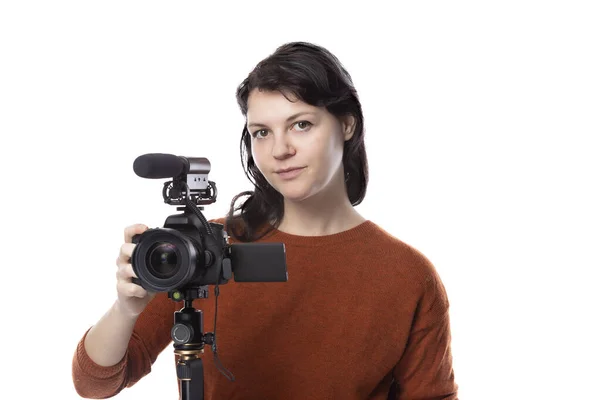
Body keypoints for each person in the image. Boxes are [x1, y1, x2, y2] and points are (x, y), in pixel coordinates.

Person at [72, 41, 459, 399]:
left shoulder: (407, 275)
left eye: (301, 124)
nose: (280, 150)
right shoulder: (204, 248)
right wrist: (127, 307)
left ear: (346, 124)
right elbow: (95, 382)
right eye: (261, 132)